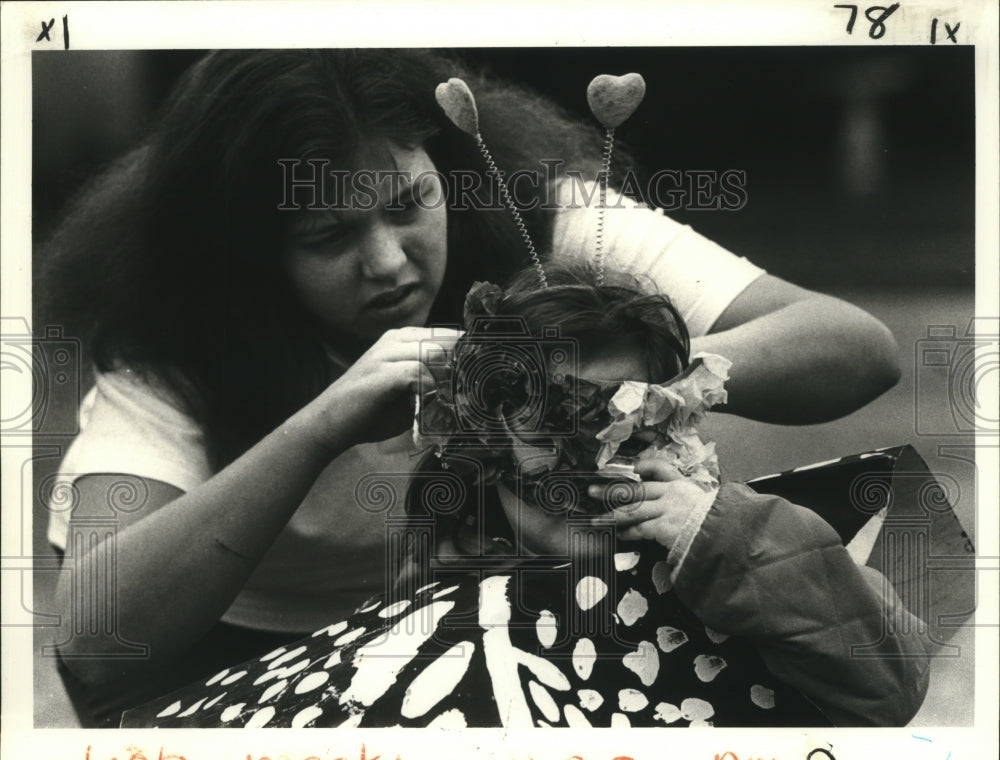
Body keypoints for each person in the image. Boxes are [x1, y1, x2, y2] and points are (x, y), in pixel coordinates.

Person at [40, 49, 901, 721]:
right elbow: (97, 638)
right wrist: (318, 428)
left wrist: (643, 392)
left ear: (448, 166)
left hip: (528, 621)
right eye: (327, 232)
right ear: (246, 251)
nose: (386, 261)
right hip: (261, 672)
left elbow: (853, 347)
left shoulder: (546, 222)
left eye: (410, 203)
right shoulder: (177, 342)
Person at [121, 264, 927, 729]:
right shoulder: (444, 598)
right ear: (486, 451)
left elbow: (891, 679)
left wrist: (720, 533)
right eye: (551, 427)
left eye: (624, 418)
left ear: (675, 418)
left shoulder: (747, 547)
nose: (587, 465)